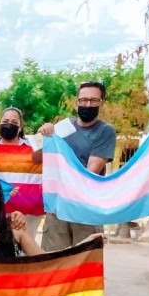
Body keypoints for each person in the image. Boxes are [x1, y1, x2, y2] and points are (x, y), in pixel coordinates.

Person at [34, 81, 116, 251]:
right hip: (57, 210)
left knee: (85, 265)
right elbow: (35, 158)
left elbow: (89, 173)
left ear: (102, 103)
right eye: (83, 99)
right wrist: (43, 135)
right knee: (53, 262)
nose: (87, 104)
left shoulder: (105, 131)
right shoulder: (62, 127)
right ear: (76, 101)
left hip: (86, 209)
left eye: (94, 101)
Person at [0, 106, 43, 237]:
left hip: (29, 214)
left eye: (14, 123)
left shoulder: (34, 148)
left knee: (26, 253)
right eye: (6, 121)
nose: (9, 125)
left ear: (20, 126)